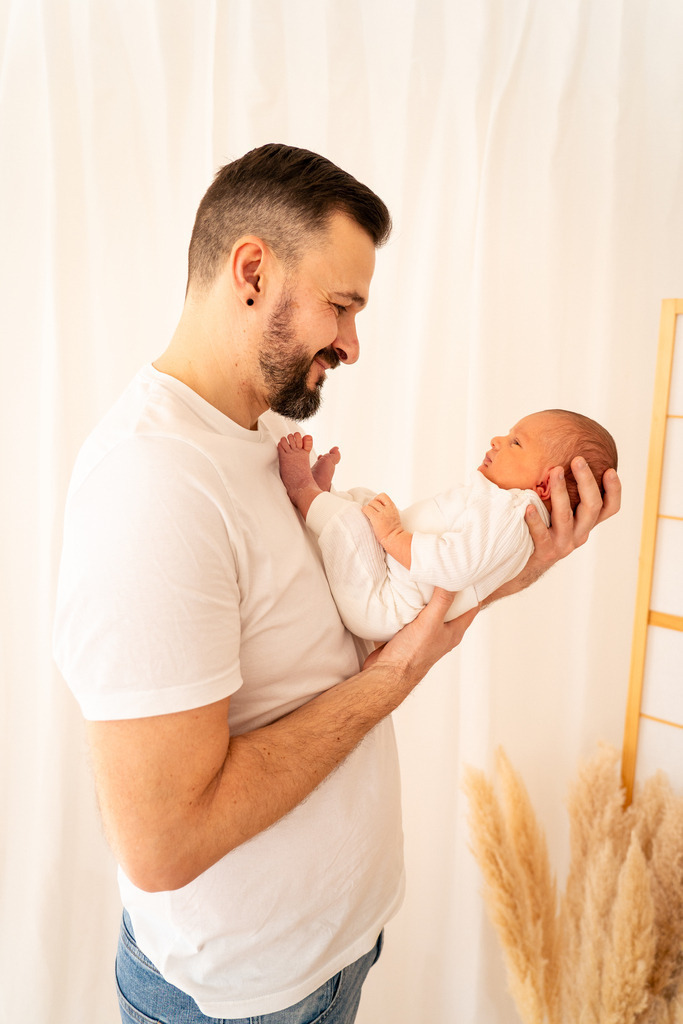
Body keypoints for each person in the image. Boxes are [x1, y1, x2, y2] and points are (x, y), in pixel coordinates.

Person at [52, 143, 621, 1024]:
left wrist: (519, 562)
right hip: (243, 1002)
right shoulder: (151, 486)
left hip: (330, 957)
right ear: (252, 272)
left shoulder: (251, 438)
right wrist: (396, 678)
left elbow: (346, 635)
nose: (352, 343)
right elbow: (164, 843)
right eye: (342, 305)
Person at [277, 410, 618, 642]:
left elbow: (454, 568)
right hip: (389, 578)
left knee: (353, 523)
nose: (497, 439)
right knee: (367, 502)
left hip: (384, 603)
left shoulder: (513, 513)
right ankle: (325, 497)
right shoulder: (509, 511)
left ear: (544, 486)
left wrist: (393, 535)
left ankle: (303, 490)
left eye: (516, 442)